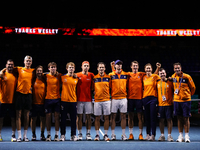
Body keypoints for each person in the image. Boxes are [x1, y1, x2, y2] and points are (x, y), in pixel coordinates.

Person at [172, 62, 196, 143]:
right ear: (174, 69)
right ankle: (180, 135)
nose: (177, 69)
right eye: (175, 68)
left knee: (186, 118)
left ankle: (187, 136)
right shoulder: (173, 77)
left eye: (178, 68)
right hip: (177, 100)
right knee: (179, 118)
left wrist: (188, 95)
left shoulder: (187, 76)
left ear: (181, 68)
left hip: (186, 101)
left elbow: (193, 87)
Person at [15, 56, 35, 142]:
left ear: (31, 62)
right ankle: (19, 136)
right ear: (24, 61)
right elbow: (8, 68)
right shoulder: (19, 69)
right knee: (18, 115)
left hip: (28, 95)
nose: (28, 62)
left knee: (27, 116)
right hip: (19, 94)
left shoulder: (33, 71)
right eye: (27, 61)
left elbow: (42, 73)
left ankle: (25, 136)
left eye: (30, 61)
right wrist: (1, 71)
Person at [109, 60, 128, 141]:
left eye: (120, 64)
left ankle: (123, 135)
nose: (119, 66)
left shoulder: (126, 74)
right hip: (114, 98)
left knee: (123, 116)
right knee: (113, 116)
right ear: (115, 66)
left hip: (123, 98)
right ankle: (113, 135)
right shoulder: (111, 75)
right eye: (118, 64)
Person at [60, 62, 78, 141]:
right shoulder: (62, 77)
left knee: (73, 119)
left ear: (74, 69)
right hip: (64, 101)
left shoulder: (76, 78)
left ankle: (73, 135)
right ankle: (62, 135)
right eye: (70, 67)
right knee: (63, 119)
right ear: (67, 68)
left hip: (73, 101)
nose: (71, 69)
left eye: (72, 68)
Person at [142, 63, 161, 141]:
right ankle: (147, 134)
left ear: (152, 69)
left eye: (149, 68)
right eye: (147, 68)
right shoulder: (143, 77)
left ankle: (153, 135)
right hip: (145, 98)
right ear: (145, 69)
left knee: (153, 117)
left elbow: (162, 78)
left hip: (153, 99)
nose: (148, 70)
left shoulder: (155, 76)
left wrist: (158, 68)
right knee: (147, 118)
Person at [76, 61, 94, 141]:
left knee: (88, 117)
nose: (86, 67)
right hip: (79, 100)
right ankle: (79, 133)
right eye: (84, 66)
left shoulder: (91, 75)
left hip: (88, 99)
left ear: (89, 67)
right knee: (79, 117)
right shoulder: (77, 75)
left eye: (87, 66)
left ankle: (88, 133)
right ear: (81, 67)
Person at [0, 59, 17, 142]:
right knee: (1, 119)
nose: (10, 66)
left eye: (11, 64)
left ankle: (13, 135)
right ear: (6, 65)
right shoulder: (2, 75)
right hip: (2, 101)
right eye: (9, 64)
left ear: (13, 66)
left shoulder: (15, 75)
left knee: (13, 119)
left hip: (13, 102)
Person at [93, 62, 111, 141]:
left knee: (106, 117)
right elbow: (92, 89)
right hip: (97, 100)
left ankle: (106, 134)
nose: (101, 69)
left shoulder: (108, 77)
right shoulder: (94, 78)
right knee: (97, 118)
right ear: (97, 68)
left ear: (105, 68)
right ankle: (97, 135)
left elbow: (112, 87)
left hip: (106, 100)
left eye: (102, 67)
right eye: (100, 67)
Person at [44, 62, 62, 141]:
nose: (53, 68)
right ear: (49, 68)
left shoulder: (59, 75)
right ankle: (48, 135)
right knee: (48, 118)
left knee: (57, 118)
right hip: (48, 99)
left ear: (56, 68)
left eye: (54, 67)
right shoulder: (45, 76)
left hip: (57, 99)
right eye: (51, 67)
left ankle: (56, 135)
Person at [157, 68, 174, 142]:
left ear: (166, 73)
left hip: (169, 104)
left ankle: (169, 136)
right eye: (160, 74)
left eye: (163, 73)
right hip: (160, 105)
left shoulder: (170, 82)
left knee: (169, 120)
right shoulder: (157, 82)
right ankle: (162, 135)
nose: (162, 75)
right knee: (161, 120)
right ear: (159, 75)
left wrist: (172, 78)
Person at [30, 65, 46, 141]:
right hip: (34, 103)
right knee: (33, 119)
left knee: (43, 119)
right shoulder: (32, 80)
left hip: (43, 103)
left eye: (40, 71)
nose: (39, 72)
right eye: (38, 71)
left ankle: (42, 134)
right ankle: (33, 134)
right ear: (36, 72)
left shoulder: (45, 80)